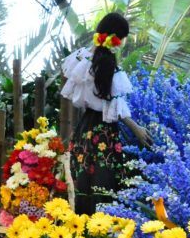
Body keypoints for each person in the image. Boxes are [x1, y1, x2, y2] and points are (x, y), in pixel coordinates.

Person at [60, 12, 152, 215]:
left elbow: (70, 82)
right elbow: (114, 105)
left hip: (85, 128)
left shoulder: (83, 58)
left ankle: (79, 224)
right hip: (104, 131)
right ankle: (101, 230)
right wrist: (136, 128)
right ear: (117, 38)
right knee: (104, 178)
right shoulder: (107, 65)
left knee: (82, 178)